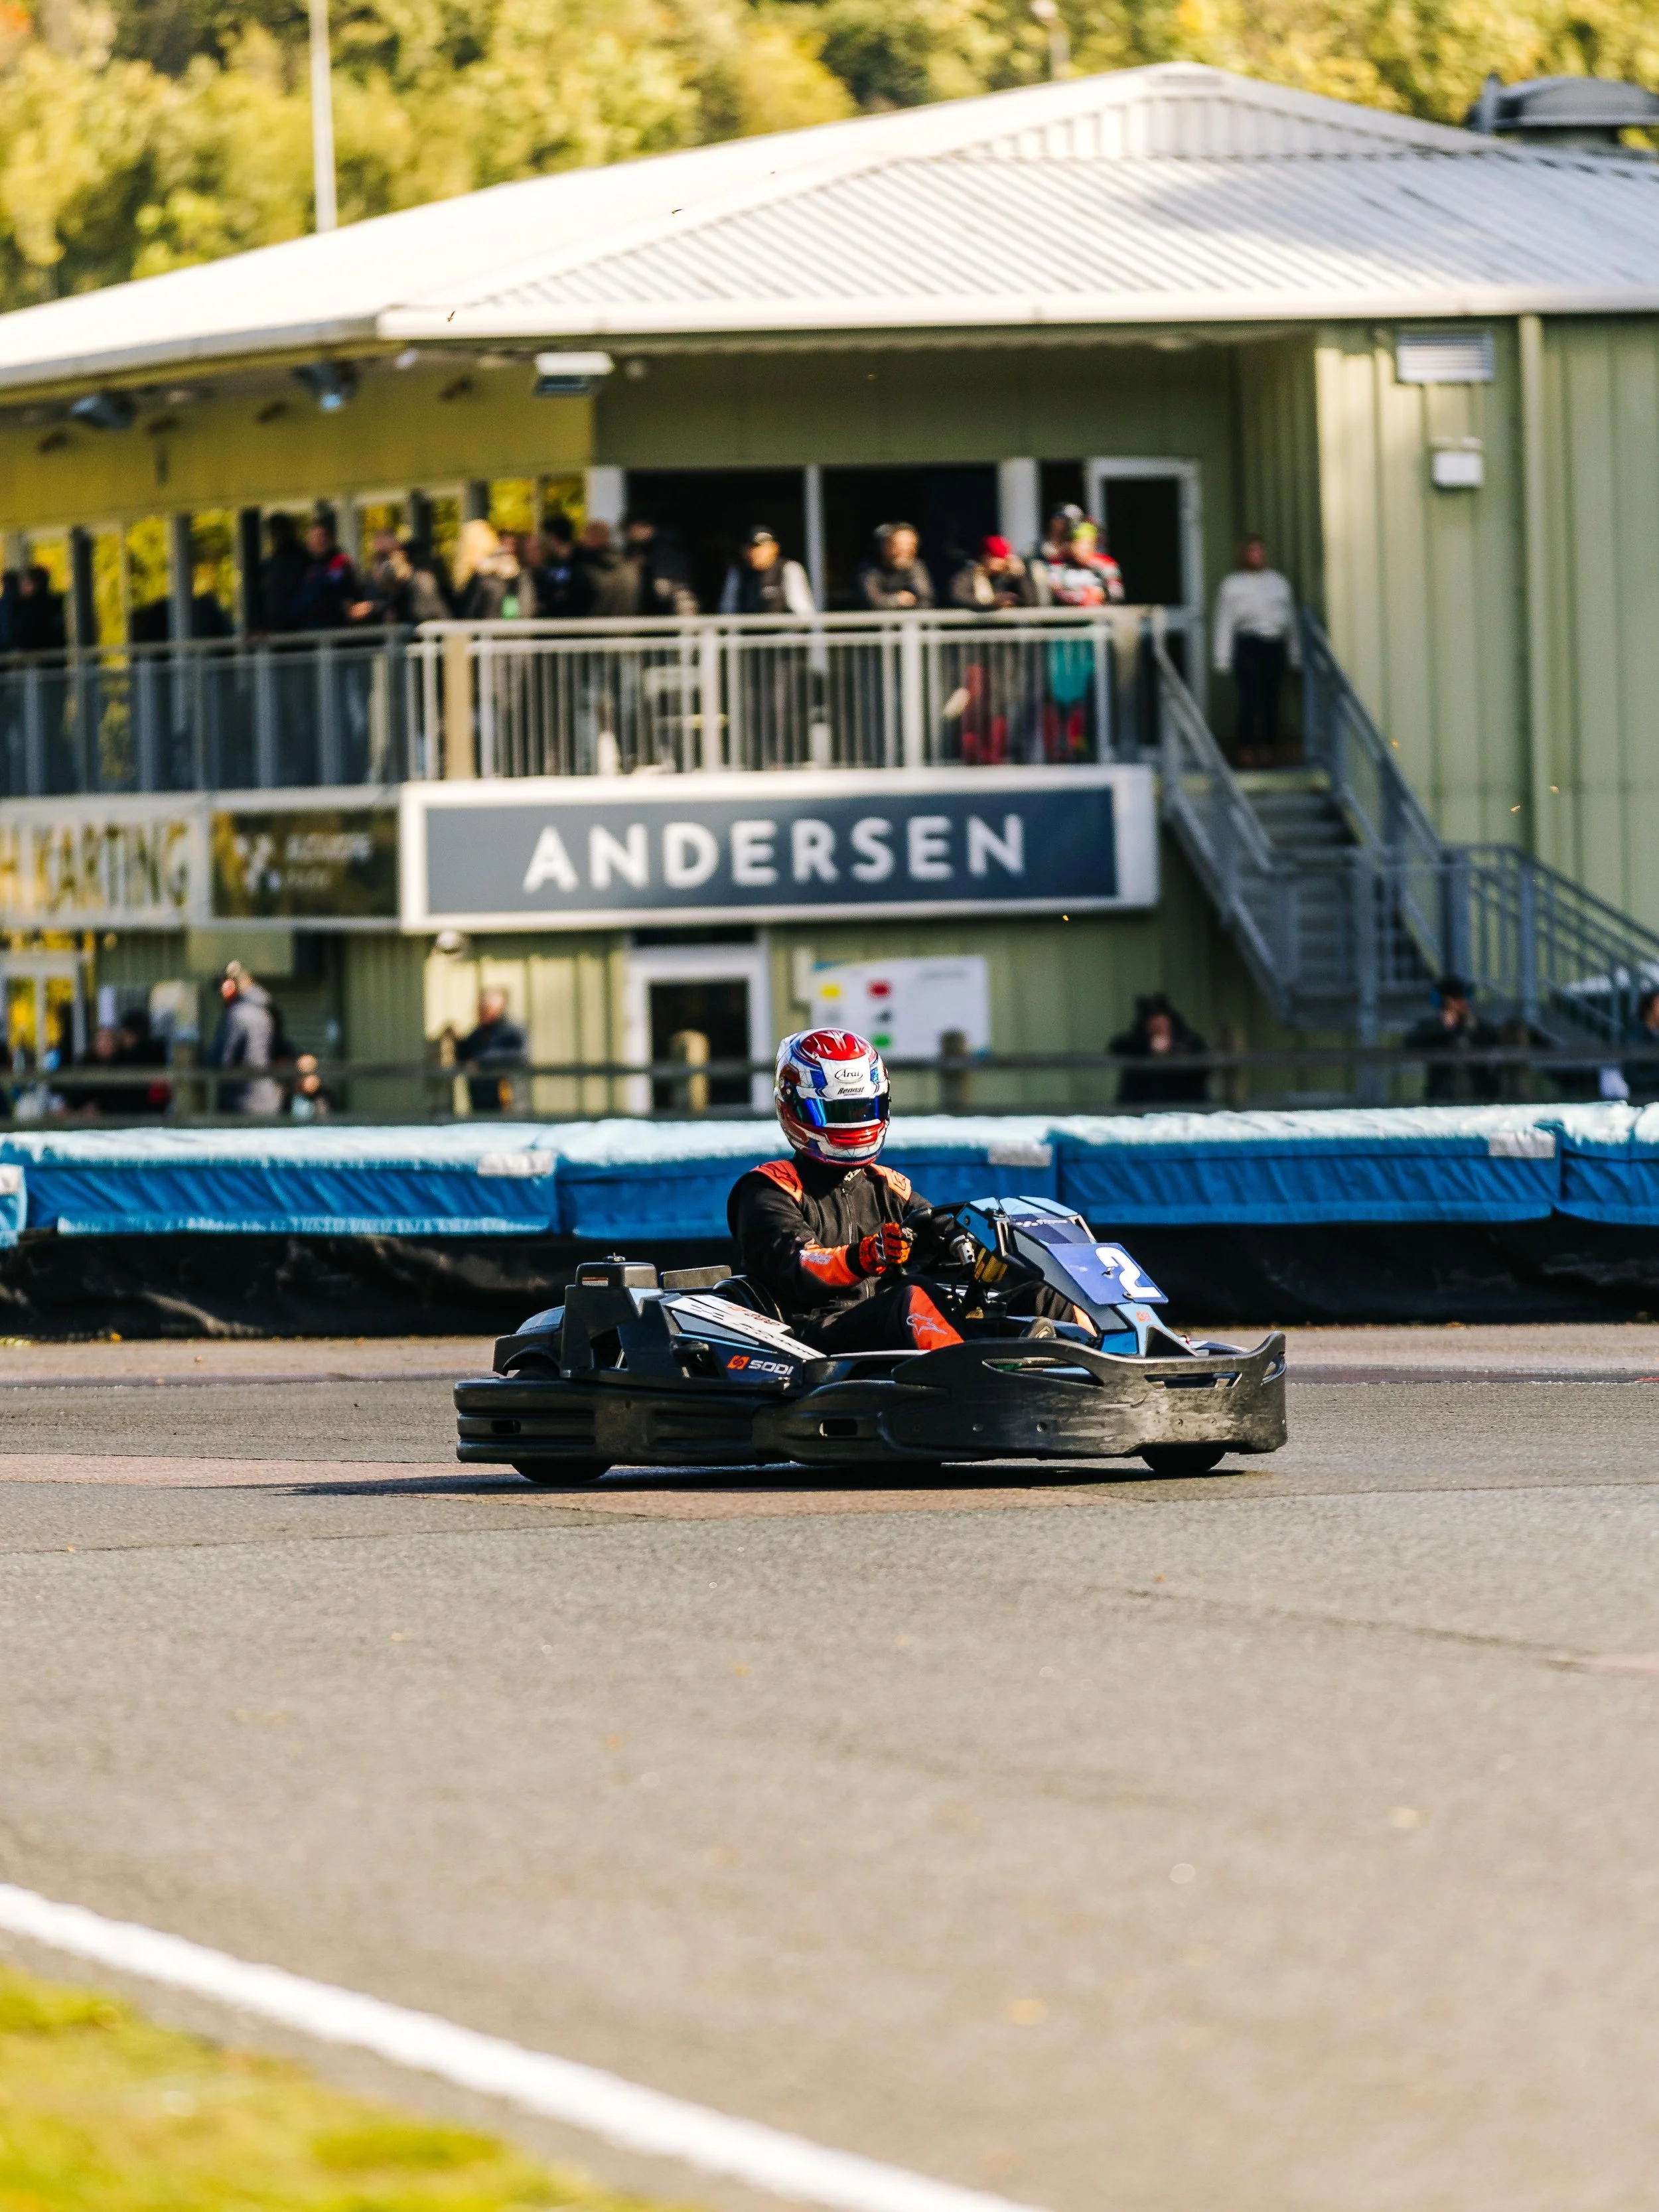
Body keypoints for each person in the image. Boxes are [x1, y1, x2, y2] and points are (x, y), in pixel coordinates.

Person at [727, 1029, 1084, 1355]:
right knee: (914, 1295)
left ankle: (1101, 1368)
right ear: (793, 1107)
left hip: (894, 1330)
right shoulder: (768, 1190)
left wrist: (984, 1247)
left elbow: (945, 1232)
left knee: (1048, 1296)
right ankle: (988, 1374)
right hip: (818, 1340)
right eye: (837, 1111)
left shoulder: (887, 1187)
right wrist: (866, 1256)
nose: (854, 1123)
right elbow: (801, 1267)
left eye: (864, 1109)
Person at [1213, 535, 1301, 768]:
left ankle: (1268, 747)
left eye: (1260, 551)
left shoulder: (1278, 583)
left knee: (1271, 698)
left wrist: (1294, 653)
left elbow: (1290, 621)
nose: (1257, 556)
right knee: (1250, 697)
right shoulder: (1233, 584)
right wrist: (1222, 657)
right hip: (1248, 644)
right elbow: (1225, 621)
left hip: (1274, 643)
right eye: (1252, 552)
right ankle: (1246, 747)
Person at [1405, 974, 1501, 1103]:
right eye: (1455, 999)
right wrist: (1444, 1028)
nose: (1461, 1004)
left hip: (1478, 1096)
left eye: (1462, 998)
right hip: (1442, 1097)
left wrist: (1472, 1028)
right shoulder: (1430, 1027)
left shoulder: (1479, 1026)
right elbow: (1412, 1044)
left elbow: (1495, 1042)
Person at [207, 962, 284, 1114]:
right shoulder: (267, 1012)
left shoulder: (237, 1014)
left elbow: (221, 1060)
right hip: (269, 1100)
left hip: (242, 1102)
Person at [1110, 994, 1210, 1106]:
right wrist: (1147, 1046)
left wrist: (1174, 1049)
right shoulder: (1135, 1042)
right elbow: (1117, 1047)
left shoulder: (1188, 1040)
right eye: (1152, 1021)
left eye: (1161, 1020)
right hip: (1143, 1106)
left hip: (1184, 1104)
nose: (1157, 1024)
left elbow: (1203, 1060)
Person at [290, 517, 372, 631]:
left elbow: (338, 590)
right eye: (312, 538)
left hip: (335, 627)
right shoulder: (305, 566)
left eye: (320, 537)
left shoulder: (340, 561)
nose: (316, 542)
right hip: (310, 628)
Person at [719, 526, 816, 616]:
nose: (758, 552)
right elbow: (727, 611)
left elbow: (802, 611)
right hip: (747, 633)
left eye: (764, 548)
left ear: (775, 548)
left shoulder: (789, 568)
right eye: (753, 548)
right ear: (745, 551)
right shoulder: (738, 573)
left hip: (784, 633)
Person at [457, 986, 526, 1113]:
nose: (480, 1012)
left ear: (499, 1008)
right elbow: (465, 1056)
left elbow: (520, 1056)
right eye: (479, 1008)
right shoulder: (477, 1034)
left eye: (486, 1008)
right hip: (480, 1106)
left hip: (508, 1107)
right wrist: (457, 1041)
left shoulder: (512, 1032)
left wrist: (482, 1061)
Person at [451, 519, 527, 621]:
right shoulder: (516, 571)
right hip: (518, 631)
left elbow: (469, 614)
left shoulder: (481, 579)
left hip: (489, 633)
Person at [948, 535, 1043, 611]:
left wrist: (1020, 575)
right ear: (985, 557)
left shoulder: (1009, 577)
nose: (1002, 562)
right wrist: (993, 603)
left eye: (1004, 558)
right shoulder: (968, 575)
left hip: (1006, 632)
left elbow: (1030, 601)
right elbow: (959, 597)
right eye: (997, 557)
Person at [571, 518, 639, 618]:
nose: (583, 539)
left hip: (597, 625)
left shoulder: (583, 568)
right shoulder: (629, 567)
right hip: (620, 626)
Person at [859, 522, 934, 611]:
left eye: (910, 545)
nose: (905, 550)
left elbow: (926, 600)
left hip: (910, 621)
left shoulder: (916, 566)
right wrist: (898, 600)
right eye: (899, 545)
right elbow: (873, 602)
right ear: (885, 546)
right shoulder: (869, 569)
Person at [259, 513, 309, 632]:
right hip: (276, 627)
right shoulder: (274, 561)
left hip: (298, 627)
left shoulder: (302, 558)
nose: (277, 536)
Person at [531, 513, 580, 618]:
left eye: (543, 537)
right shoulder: (547, 566)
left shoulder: (580, 566)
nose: (541, 542)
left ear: (553, 537)